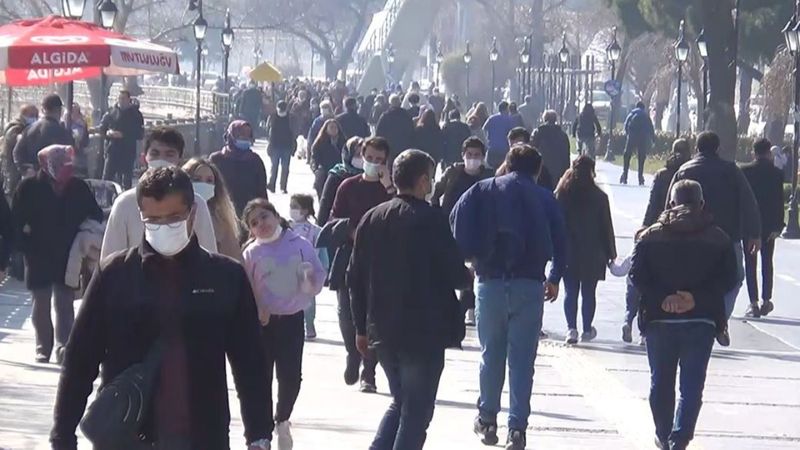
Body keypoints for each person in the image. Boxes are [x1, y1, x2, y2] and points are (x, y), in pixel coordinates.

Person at [51, 167, 272, 450]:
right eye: (153, 220)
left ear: (192, 213)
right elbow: (80, 360)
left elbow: (250, 362)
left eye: (173, 218)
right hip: (126, 434)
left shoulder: (226, 277)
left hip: (203, 434)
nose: (163, 227)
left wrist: (259, 435)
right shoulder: (115, 274)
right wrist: (62, 435)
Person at [349, 149, 472, 450]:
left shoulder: (372, 218)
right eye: (429, 179)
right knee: (416, 412)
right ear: (421, 181)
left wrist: (361, 328)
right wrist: (468, 275)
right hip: (423, 330)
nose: (431, 185)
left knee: (401, 402)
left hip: (384, 329)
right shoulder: (431, 219)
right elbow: (453, 272)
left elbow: (355, 277)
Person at [451, 144, 566, 450]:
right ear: (537, 169)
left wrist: (470, 260)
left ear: (506, 163)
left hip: (489, 283)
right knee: (522, 360)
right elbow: (561, 240)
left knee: (491, 354)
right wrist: (554, 277)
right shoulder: (545, 197)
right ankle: (517, 428)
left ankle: (487, 419)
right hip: (530, 285)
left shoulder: (482, 189)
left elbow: (456, 221)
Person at [630, 180, 737, 450]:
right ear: (702, 204)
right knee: (692, 385)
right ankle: (681, 438)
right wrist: (695, 299)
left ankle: (663, 433)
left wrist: (663, 298)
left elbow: (636, 276)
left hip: (659, 318)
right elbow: (730, 278)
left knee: (661, 382)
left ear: (670, 203)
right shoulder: (719, 238)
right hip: (701, 319)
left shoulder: (649, 237)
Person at [242, 199, 326, 450]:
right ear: (250, 230)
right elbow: (244, 289)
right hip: (263, 324)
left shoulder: (299, 245)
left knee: (291, 378)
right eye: (254, 223)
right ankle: (263, 432)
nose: (262, 225)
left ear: (276, 216)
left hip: (291, 321)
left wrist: (310, 280)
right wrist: (257, 310)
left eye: (264, 217)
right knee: (262, 377)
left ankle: (282, 418)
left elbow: (318, 278)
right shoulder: (251, 253)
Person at [12, 145, 103, 364]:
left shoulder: (78, 187)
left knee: (64, 302)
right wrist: (23, 247)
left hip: (68, 253)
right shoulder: (29, 187)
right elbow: (15, 222)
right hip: (37, 253)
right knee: (40, 303)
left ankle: (64, 347)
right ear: (46, 164)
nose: (66, 169)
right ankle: (43, 346)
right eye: (61, 165)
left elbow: (96, 214)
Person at [669, 131, 760, 345]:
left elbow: (669, 203)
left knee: (689, 275)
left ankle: (689, 312)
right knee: (735, 278)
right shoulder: (731, 171)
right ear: (718, 148)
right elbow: (749, 202)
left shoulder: (684, 171)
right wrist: (754, 233)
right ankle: (720, 319)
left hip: (690, 234)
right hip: (727, 236)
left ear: (697, 149)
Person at [329, 137, 395, 393]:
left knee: (373, 316)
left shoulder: (388, 188)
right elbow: (334, 218)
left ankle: (369, 371)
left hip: (381, 259)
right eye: (370, 158)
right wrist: (351, 231)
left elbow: (401, 208)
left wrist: (388, 184)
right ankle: (352, 352)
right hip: (350, 254)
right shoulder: (348, 186)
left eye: (380, 160)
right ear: (361, 155)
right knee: (347, 313)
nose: (374, 164)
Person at [101, 127, 218, 260]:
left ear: (180, 160)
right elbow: (109, 261)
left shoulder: (197, 203)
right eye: (155, 154)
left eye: (169, 154)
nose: (161, 159)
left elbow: (209, 257)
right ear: (144, 158)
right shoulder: (124, 203)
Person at [622, 139, 692, 344]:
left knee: (645, 278)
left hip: (658, 231)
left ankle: (632, 319)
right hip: (684, 233)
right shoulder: (690, 174)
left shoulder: (662, 175)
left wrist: (645, 228)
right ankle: (652, 327)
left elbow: (653, 204)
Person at [431, 137, 493, 326]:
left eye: (477, 155)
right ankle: (455, 306)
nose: (473, 159)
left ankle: (469, 307)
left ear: (483, 157)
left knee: (474, 268)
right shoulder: (453, 173)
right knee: (453, 267)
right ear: (463, 155)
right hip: (452, 227)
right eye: (469, 155)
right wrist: (437, 216)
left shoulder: (489, 176)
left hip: (479, 228)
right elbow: (436, 194)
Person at [555, 156, 616, 344]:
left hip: (568, 251)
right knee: (589, 292)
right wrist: (611, 253)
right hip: (593, 252)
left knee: (570, 291)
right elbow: (606, 227)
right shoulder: (600, 197)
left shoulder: (562, 194)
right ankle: (587, 329)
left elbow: (555, 224)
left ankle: (571, 329)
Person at [741, 138, 785, 318]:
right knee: (767, 262)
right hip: (768, 225)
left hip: (750, 224)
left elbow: (742, 200)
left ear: (754, 152)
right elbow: (779, 201)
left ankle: (753, 302)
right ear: (769, 153)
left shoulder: (744, 171)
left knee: (750, 264)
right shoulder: (776, 173)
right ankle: (767, 299)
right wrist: (778, 225)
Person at [182, 158, 242, 260]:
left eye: (209, 181)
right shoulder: (173, 215)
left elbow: (233, 258)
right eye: (197, 179)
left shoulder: (221, 220)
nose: (203, 184)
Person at [288, 194, 330, 340]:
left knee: (308, 301)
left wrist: (324, 269)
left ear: (305, 210)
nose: (292, 210)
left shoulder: (316, 231)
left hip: (308, 271)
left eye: (296, 207)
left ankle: (309, 325)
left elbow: (323, 252)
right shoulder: (286, 228)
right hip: (289, 269)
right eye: (291, 206)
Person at [209, 120, 268, 217]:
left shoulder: (255, 160)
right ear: (230, 137)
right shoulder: (217, 159)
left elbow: (262, 191)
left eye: (248, 136)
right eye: (241, 136)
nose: (245, 139)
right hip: (222, 213)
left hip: (249, 215)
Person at [13, 94, 72, 176]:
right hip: (51, 178)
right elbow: (68, 156)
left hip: (32, 177)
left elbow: (17, 152)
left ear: (43, 109)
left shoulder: (29, 128)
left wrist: (25, 170)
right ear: (59, 110)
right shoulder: (61, 131)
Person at [99, 90, 145, 189]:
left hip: (127, 150)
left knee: (126, 179)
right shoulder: (111, 112)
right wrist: (108, 133)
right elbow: (102, 128)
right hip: (112, 149)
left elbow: (140, 133)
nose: (121, 101)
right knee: (107, 177)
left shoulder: (135, 114)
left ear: (129, 99)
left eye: (123, 98)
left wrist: (123, 135)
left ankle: (124, 199)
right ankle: (105, 199)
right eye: (120, 98)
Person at [642, 139, 692, 228]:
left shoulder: (662, 174)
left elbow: (653, 203)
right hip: (689, 222)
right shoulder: (692, 173)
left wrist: (645, 224)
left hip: (664, 221)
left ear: (672, 152)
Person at [318, 137, 364, 226]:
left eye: (363, 155)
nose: (361, 158)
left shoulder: (371, 176)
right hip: (340, 226)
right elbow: (325, 203)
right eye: (357, 155)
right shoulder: (337, 175)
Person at [2, 104, 38, 198]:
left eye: (36, 115)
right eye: (31, 115)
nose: (34, 118)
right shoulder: (14, 126)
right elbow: (14, 137)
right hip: (12, 164)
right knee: (13, 189)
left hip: (24, 164)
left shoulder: (30, 127)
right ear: (23, 115)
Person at [531, 110, 571, 189]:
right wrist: (566, 169)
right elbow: (566, 153)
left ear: (544, 119)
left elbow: (532, 149)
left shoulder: (538, 132)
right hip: (557, 168)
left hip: (541, 167)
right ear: (555, 119)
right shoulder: (562, 134)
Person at [621, 101, 656, 186]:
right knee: (641, 157)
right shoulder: (645, 115)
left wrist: (628, 135)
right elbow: (651, 128)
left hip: (632, 137)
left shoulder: (632, 113)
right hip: (642, 138)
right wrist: (653, 139)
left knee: (627, 155)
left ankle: (625, 176)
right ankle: (640, 177)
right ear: (643, 108)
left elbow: (625, 126)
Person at [311, 119, 347, 198]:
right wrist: (316, 169)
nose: (333, 129)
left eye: (335, 127)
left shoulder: (344, 142)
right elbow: (314, 159)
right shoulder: (320, 143)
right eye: (331, 127)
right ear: (326, 130)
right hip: (325, 169)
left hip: (340, 170)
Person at [267, 101, 297, 194]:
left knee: (285, 168)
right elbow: (268, 129)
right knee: (274, 167)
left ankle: (283, 187)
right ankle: (272, 185)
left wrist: (293, 146)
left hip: (287, 146)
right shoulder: (273, 116)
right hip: (275, 145)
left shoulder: (291, 117)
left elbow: (294, 131)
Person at [376, 94, 415, 164]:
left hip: (389, 146)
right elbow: (412, 130)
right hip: (404, 145)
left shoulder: (385, 115)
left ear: (390, 103)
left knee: (390, 165)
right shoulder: (406, 115)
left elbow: (379, 132)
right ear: (400, 103)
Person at [482, 101, 516, 169]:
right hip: (504, 149)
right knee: (502, 169)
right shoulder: (510, 119)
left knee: (491, 169)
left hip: (492, 148)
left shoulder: (492, 118)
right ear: (506, 109)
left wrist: (487, 139)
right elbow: (513, 132)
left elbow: (484, 129)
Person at [64, 103, 91, 177]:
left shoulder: (82, 124)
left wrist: (84, 146)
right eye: (72, 111)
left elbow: (85, 137)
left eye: (75, 111)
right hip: (68, 154)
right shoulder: (64, 124)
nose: (74, 114)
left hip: (80, 154)